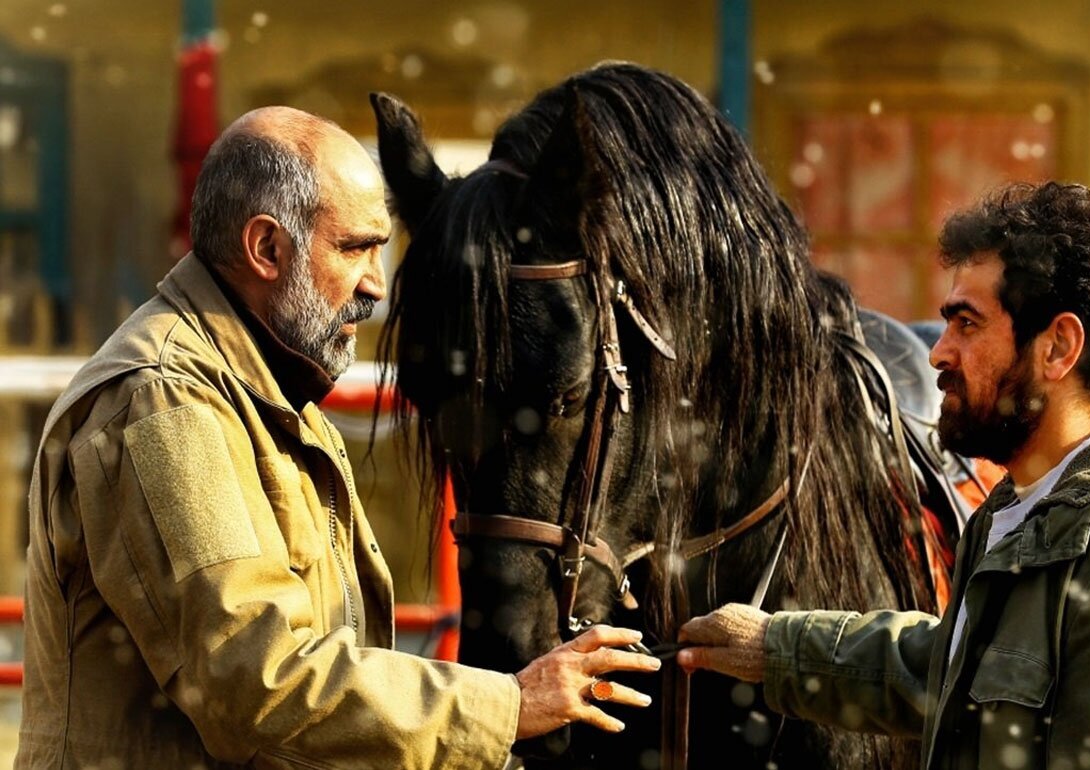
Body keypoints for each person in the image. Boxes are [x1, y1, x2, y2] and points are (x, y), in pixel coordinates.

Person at [17, 107, 658, 769]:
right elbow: (254, 686)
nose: (375, 286)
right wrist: (510, 706)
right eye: (355, 248)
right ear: (266, 249)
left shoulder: (268, 394)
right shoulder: (166, 400)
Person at [677, 181, 1090, 769]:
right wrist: (775, 648)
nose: (938, 352)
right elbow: (952, 675)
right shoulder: (1023, 512)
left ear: (1058, 347)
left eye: (968, 324)